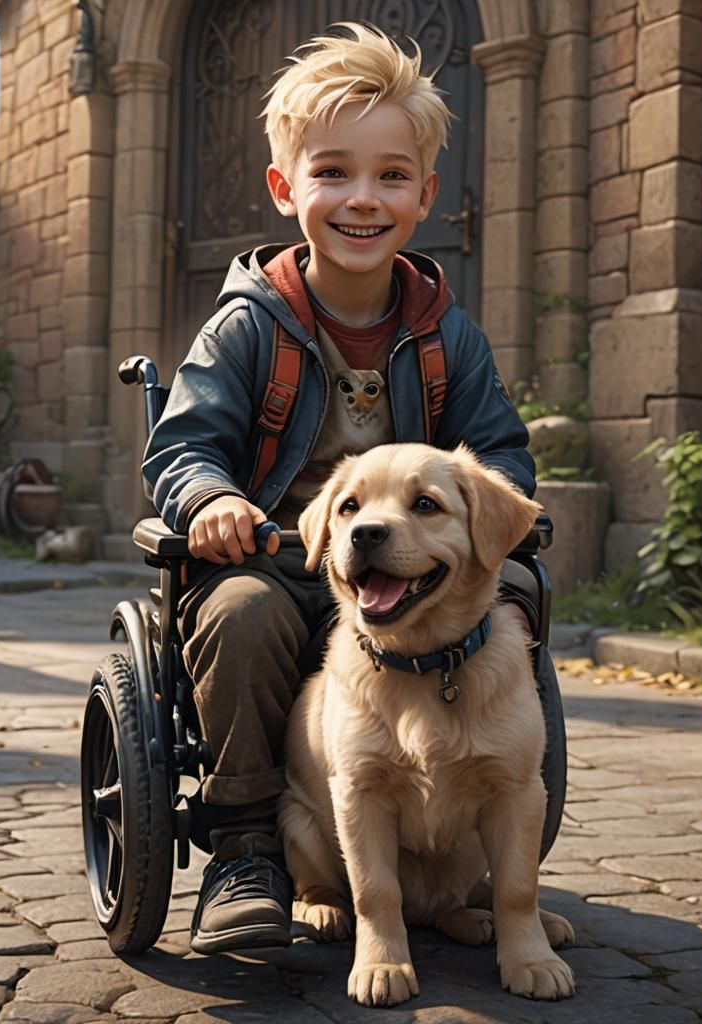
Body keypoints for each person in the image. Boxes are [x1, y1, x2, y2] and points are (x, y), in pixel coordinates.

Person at [143, 22, 535, 956]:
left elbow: (503, 456)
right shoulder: (246, 327)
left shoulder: (450, 336)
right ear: (287, 189)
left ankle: (480, 829)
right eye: (333, 173)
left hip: (422, 576)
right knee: (236, 616)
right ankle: (246, 844)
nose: (363, 198)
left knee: (515, 598)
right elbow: (182, 448)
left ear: (425, 196)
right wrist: (211, 503)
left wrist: (494, 512)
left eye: (392, 175)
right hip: (278, 563)